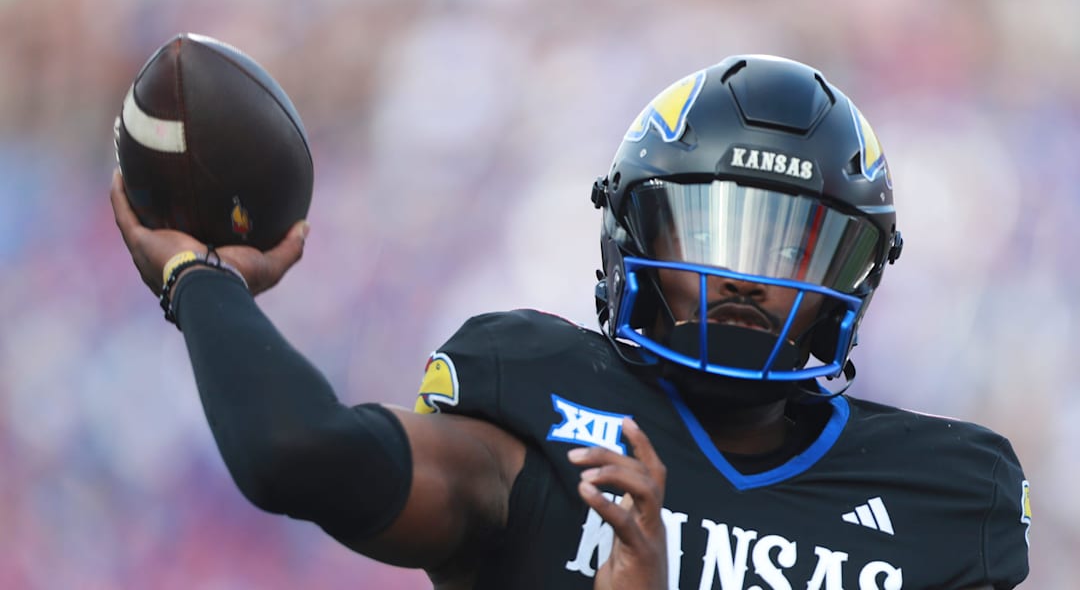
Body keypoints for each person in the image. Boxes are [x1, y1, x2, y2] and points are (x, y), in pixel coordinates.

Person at [110, 54, 1030, 589]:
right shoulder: (543, 405)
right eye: (710, 230)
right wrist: (200, 279)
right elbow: (296, 454)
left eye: (786, 249)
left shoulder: (945, 498)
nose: (742, 279)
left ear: (852, 269)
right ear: (632, 235)